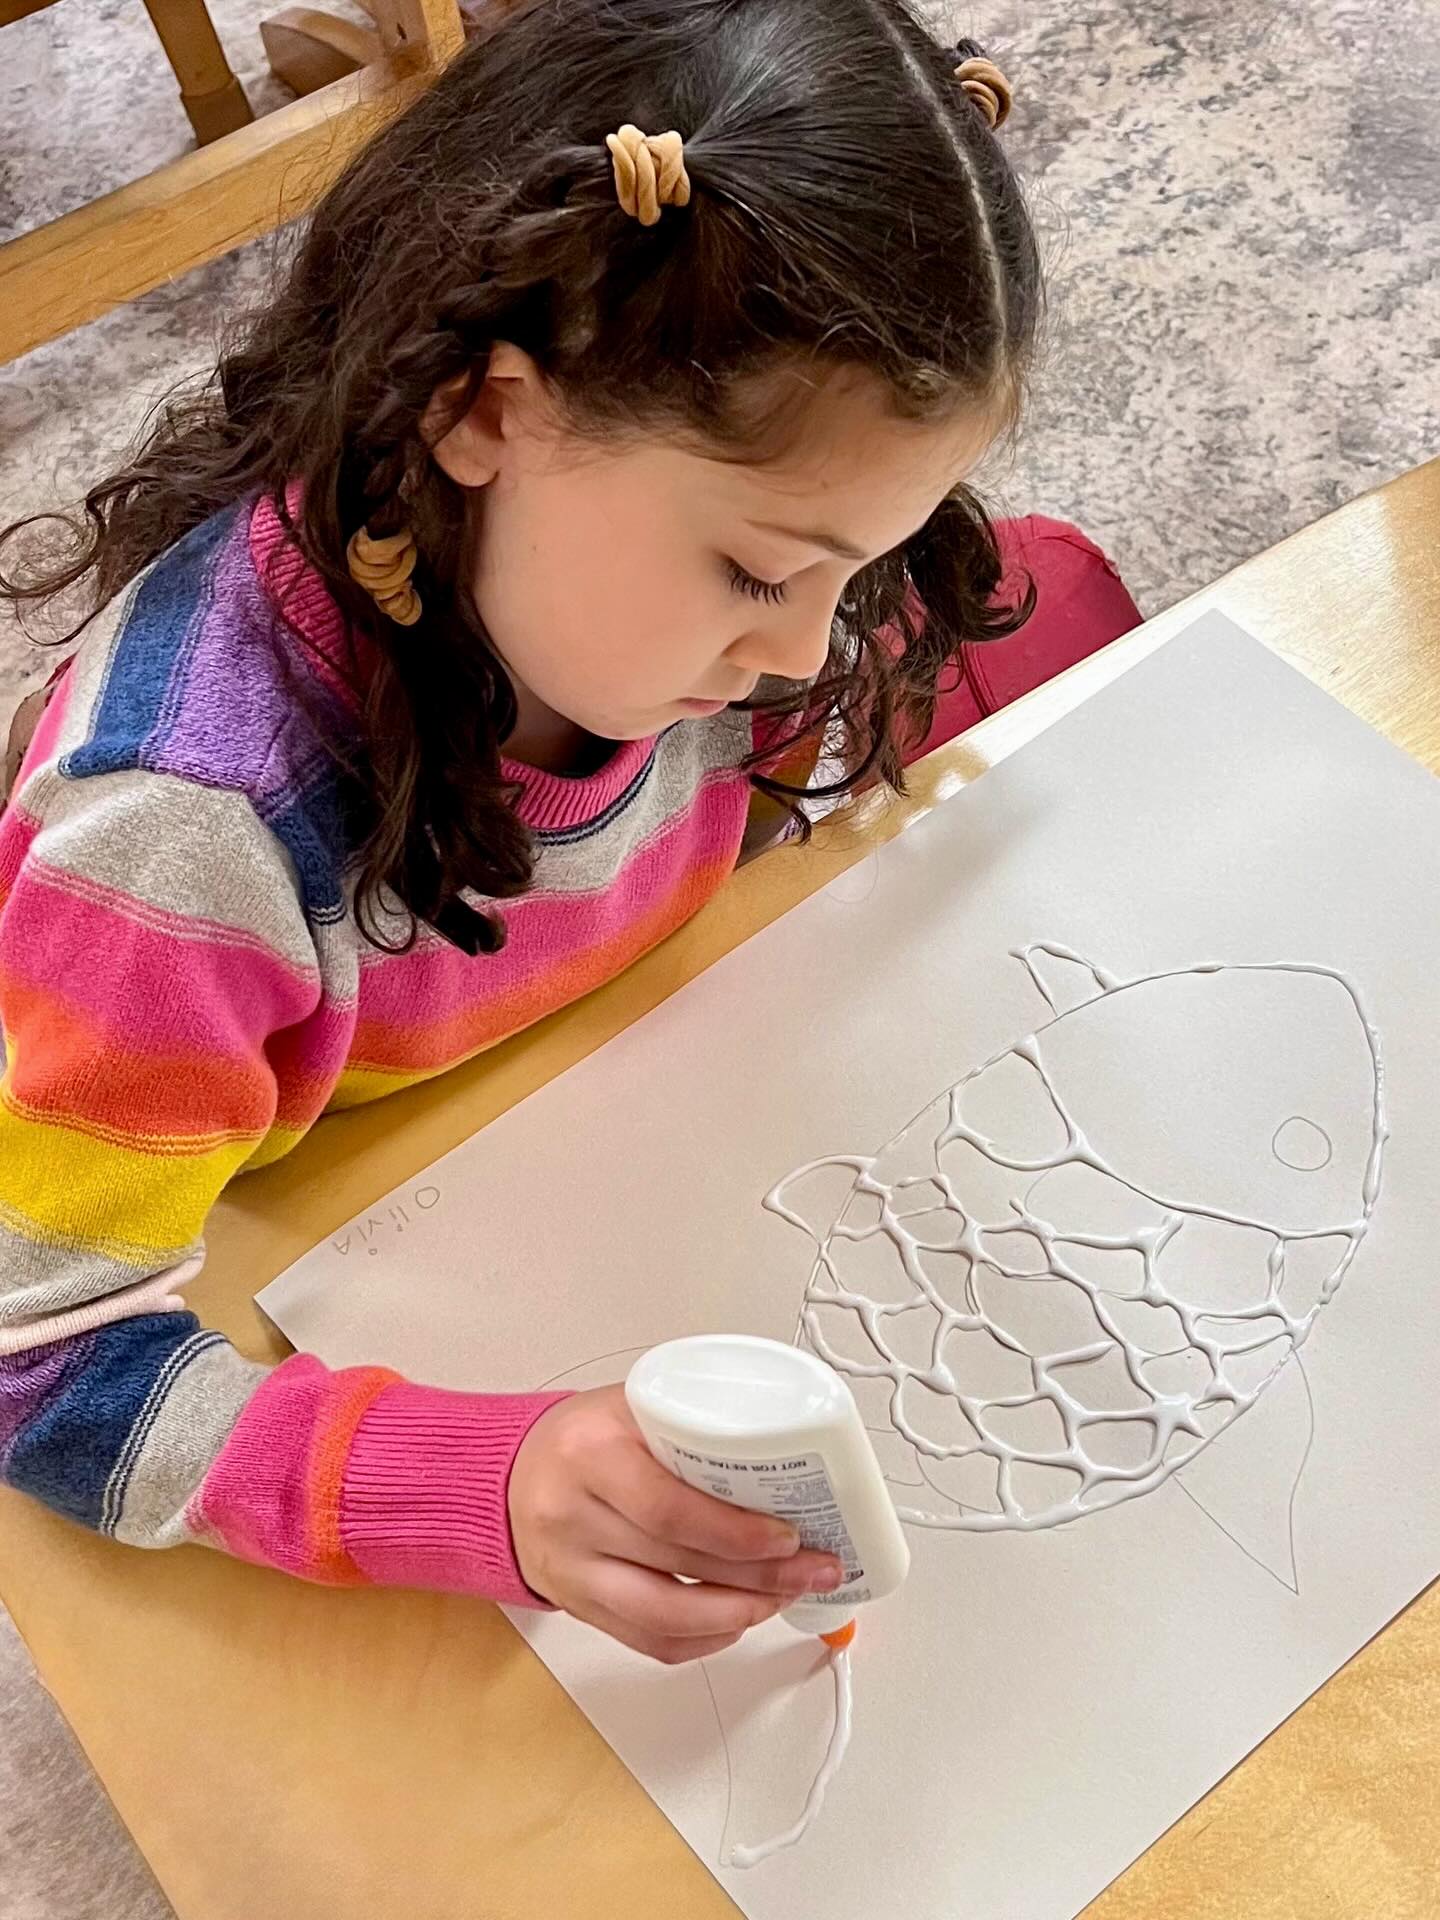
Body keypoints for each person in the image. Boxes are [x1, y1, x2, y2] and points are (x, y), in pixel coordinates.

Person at [0, 0, 1138, 1666]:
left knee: (1055, 615)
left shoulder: (695, 597)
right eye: (761, 572)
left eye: (857, 562)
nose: (807, 648)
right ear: (483, 413)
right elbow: (35, 1356)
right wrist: (495, 1479)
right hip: (331, 1173)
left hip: (641, 1049)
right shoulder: (184, 836)